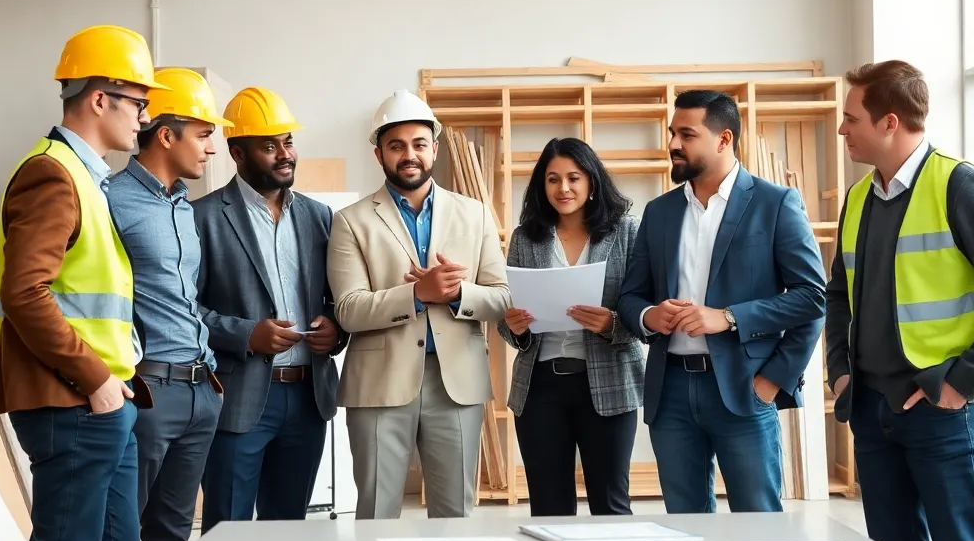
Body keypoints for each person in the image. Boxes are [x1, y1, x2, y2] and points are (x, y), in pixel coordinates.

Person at [827, 60, 974, 541]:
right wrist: (841, 370)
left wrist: (961, 384)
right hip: (873, 408)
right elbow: (839, 295)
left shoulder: (961, 187)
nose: (842, 129)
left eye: (851, 118)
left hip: (944, 411)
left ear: (889, 123)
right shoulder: (859, 197)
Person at [0, 24, 165, 541]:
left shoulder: (85, 176)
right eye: (138, 103)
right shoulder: (52, 173)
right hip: (72, 402)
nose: (143, 119)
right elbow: (25, 294)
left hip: (101, 402)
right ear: (98, 99)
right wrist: (94, 379)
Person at [618, 89, 826, 514]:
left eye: (687, 135)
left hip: (744, 387)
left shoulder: (776, 203)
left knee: (759, 525)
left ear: (724, 139)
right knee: (687, 526)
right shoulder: (658, 213)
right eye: (673, 133)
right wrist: (648, 315)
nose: (674, 144)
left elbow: (811, 297)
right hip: (670, 392)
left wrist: (737, 330)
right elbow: (629, 296)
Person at [327, 89, 511, 519]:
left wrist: (457, 294)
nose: (408, 154)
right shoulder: (350, 221)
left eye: (418, 144)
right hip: (379, 382)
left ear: (435, 149)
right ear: (379, 155)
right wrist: (416, 295)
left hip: (456, 383)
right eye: (396, 146)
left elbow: (502, 297)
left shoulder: (475, 214)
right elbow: (349, 309)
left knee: (455, 514)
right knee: (375, 513)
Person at [193, 86, 346, 533]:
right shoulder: (203, 217)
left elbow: (337, 298)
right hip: (239, 400)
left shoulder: (320, 217)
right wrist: (246, 335)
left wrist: (335, 329)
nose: (284, 155)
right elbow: (185, 308)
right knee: (229, 532)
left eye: (288, 142)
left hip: (307, 398)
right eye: (268, 146)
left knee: (289, 531)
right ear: (236, 153)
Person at [105, 68, 228, 541]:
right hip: (149, 390)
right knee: (119, 535)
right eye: (203, 136)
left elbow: (187, 299)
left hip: (203, 390)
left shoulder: (181, 205)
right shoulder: (110, 199)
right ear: (166, 135)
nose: (212, 150)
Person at [498, 138, 644, 516]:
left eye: (574, 178)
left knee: (611, 504)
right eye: (552, 179)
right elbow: (510, 321)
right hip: (540, 388)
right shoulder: (525, 238)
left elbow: (646, 310)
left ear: (592, 181)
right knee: (548, 506)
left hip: (609, 383)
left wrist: (613, 323)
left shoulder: (627, 232)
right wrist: (515, 327)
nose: (563, 188)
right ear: (541, 186)